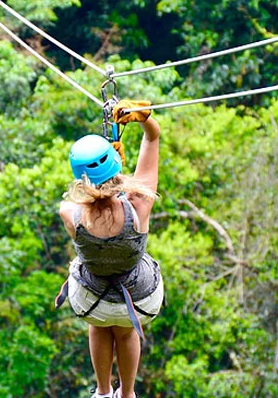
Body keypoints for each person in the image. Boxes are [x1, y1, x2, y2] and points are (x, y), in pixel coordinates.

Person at [56, 100, 164, 398]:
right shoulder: (139, 205)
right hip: (140, 299)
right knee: (125, 329)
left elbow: (86, 199)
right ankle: (127, 394)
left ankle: (103, 392)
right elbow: (152, 139)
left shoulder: (71, 214)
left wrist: (109, 173)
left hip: (93, 301)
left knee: (99, 324)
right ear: (115, 167)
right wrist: (145, 120)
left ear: (81, 177)